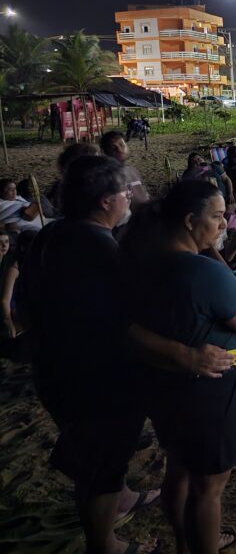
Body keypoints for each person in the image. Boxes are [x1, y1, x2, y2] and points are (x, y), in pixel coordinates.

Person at [21, 155, 159, 554]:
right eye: (125, 192)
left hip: (53, 363)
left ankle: (123, 498)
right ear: (105, 201)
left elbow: (27, 300)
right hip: (94, 377)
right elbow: (123, 321)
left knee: (101, 450)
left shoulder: (54, 233)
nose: (129, 198)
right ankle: (104, 542)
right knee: (103, 459)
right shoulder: (98, 248)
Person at [130, 182, 236, 554]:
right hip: (209, 390)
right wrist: (215, 259)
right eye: (217, 216)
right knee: (209, 486)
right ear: (190, 221)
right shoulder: (202, 271)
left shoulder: (144, 262)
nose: (223, 225)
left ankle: (183, 542)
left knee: (179, 467)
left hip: (164, 381)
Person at [100, 130, 150, 211]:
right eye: (113, 148)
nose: (119, 150)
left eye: (122, 145)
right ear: (104, 152)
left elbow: (144, 195)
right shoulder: (108, 175)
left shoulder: (133, 171)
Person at [1, 230, 26, 338]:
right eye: (0, 242)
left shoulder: (11, 260)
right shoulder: (13, 267)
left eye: (6, 242)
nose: (3, 246)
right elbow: (5, 300)